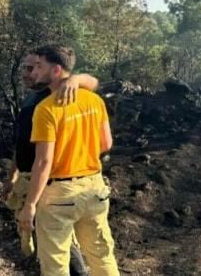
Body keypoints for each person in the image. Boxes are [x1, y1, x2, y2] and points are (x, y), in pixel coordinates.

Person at [18, 44, 120, 276]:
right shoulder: (94, 101)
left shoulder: (46, 109)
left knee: (55, 264)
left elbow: (43, 163)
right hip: (95, 188)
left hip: (60, 194)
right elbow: (106, 144)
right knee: (101, 255)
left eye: (39, 67)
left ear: (56, 71)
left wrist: (30, 205)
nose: (34, 72)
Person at [2, 52, 99, 274]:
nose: (28, 73)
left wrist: (76, 79)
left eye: (34, 68)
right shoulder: (30, 101)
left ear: (47, 70)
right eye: (25, 68)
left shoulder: (57, 95)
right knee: (48, 243)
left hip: (49, 184)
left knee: (60, 243)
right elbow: (23, 145)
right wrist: (12, 177)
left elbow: (93, 83)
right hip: (29, 181)